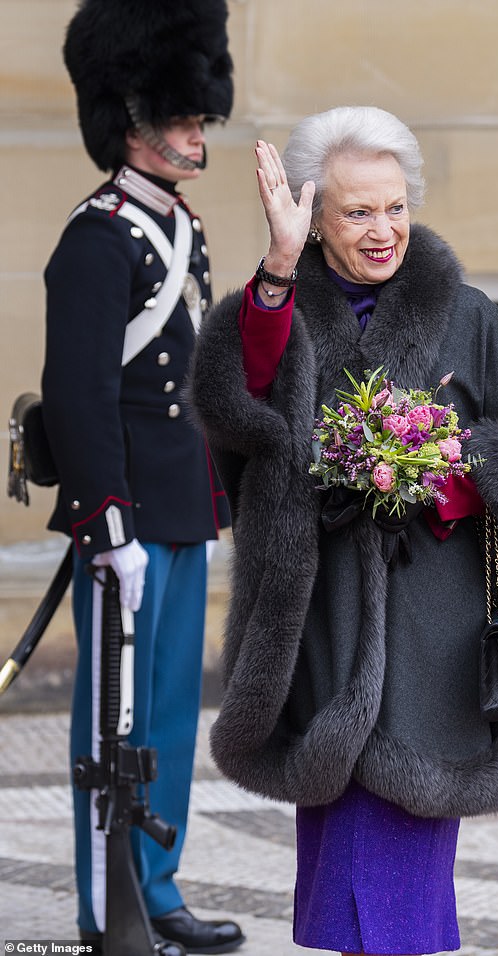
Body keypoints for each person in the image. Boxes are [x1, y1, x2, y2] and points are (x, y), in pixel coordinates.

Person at [190, 106, 498, 956]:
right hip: (321, 624)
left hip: (433, 635)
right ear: (313, 215)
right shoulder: (286, 306)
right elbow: (242, 406)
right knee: (338, 867)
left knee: (405, 867)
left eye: (395, 206)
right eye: (356, 212)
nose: (384, 230)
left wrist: (446, 475)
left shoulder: (469, 317)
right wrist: (274, 270)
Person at [41, 1, 244, 953]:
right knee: (107, 724)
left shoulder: (181, 229)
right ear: (132, 116)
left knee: (163, 709)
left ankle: (157, 888)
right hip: (124, 521)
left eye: (201, 118)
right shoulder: (96, 239)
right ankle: (104, 909)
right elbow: (78, 397)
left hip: (179, 507)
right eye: (184, 118)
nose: (197, 133)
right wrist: (106, 523)